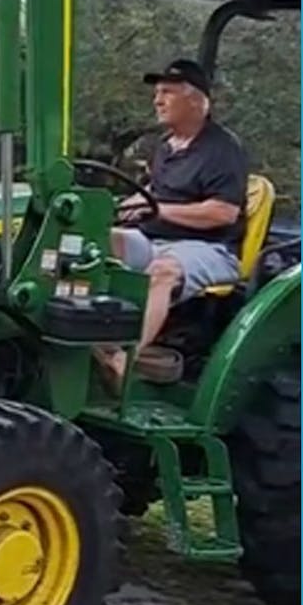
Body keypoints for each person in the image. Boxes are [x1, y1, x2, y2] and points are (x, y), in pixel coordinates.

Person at [100, 58, 249, 384]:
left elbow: (222, 213)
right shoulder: (166, 147)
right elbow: (160, 189)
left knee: (162, 271)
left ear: (197, 100)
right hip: (155, 240)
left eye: (167, 92)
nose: (157, 100)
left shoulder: (223, 149)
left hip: (209, 248)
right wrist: (137, 201)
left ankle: (124, 360)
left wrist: (158, 210)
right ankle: (93, 336)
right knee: (96, 241)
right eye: (157, 92)